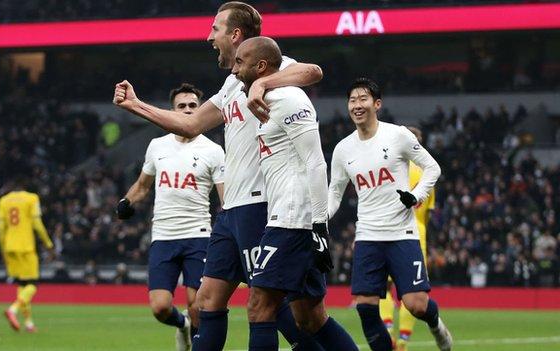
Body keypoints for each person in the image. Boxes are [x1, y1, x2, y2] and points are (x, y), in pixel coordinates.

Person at [113, 2, 324, 350]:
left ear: (235, 34)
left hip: (261, 205)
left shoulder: (271, 64)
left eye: (215, 29)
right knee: (207, 300)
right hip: (231, 213)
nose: (209, 37)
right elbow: (191, 123)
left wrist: (264, 84)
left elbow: (313, 71)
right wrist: (135, 105)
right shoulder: (231, 85)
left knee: (273, 308)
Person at [233, 36, 360, 351]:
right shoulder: (267, 99)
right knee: (309, 318)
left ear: (261, 66)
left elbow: (316, 162)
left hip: (294, 221)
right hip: (289, 218)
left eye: (239, 62)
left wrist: (318, 225)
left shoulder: (290, 99)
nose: (234, 70)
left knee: (260, 305)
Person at [328, 78, 453, 351]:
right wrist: (319, 219)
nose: (357, 105)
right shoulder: (343, 149)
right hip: (368, 236)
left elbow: (433, 168)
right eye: (352, 100)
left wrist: (416, 196)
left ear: (377, 104)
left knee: (416, 304)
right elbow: (334, 194)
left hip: (402, 235)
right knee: (366, 307)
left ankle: (436, 325)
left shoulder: (397, 135)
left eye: (363, 99)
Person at [116, 83, 225, 351]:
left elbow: (227, 197)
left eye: (192, 106)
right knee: (160, 307)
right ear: (172, 110)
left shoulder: (213, 150)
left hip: (198, 235)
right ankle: (182, 325)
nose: (188, 110)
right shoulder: (157, 146)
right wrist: (126, 202)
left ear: (200, 109)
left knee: (197, 304)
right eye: (182, 106)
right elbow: (143, 185)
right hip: (163, 236)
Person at [378, 127, 436, 351]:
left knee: (383, 287)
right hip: (417, 233)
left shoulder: (390, 165)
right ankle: (402, 342)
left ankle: (388, 328)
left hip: (387, 229)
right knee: (412, 292)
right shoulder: (426, 170)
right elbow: (427, 212)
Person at [0, 177, 54, 333]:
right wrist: (48, 244)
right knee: (33, 284)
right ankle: (13, 310)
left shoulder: (4, 201)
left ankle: (28, 323)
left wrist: (3, 249)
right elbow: (37, 223)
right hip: (26, 246)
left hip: (9, 246)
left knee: (22, 285)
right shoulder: (31, 198)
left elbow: (0, 227)